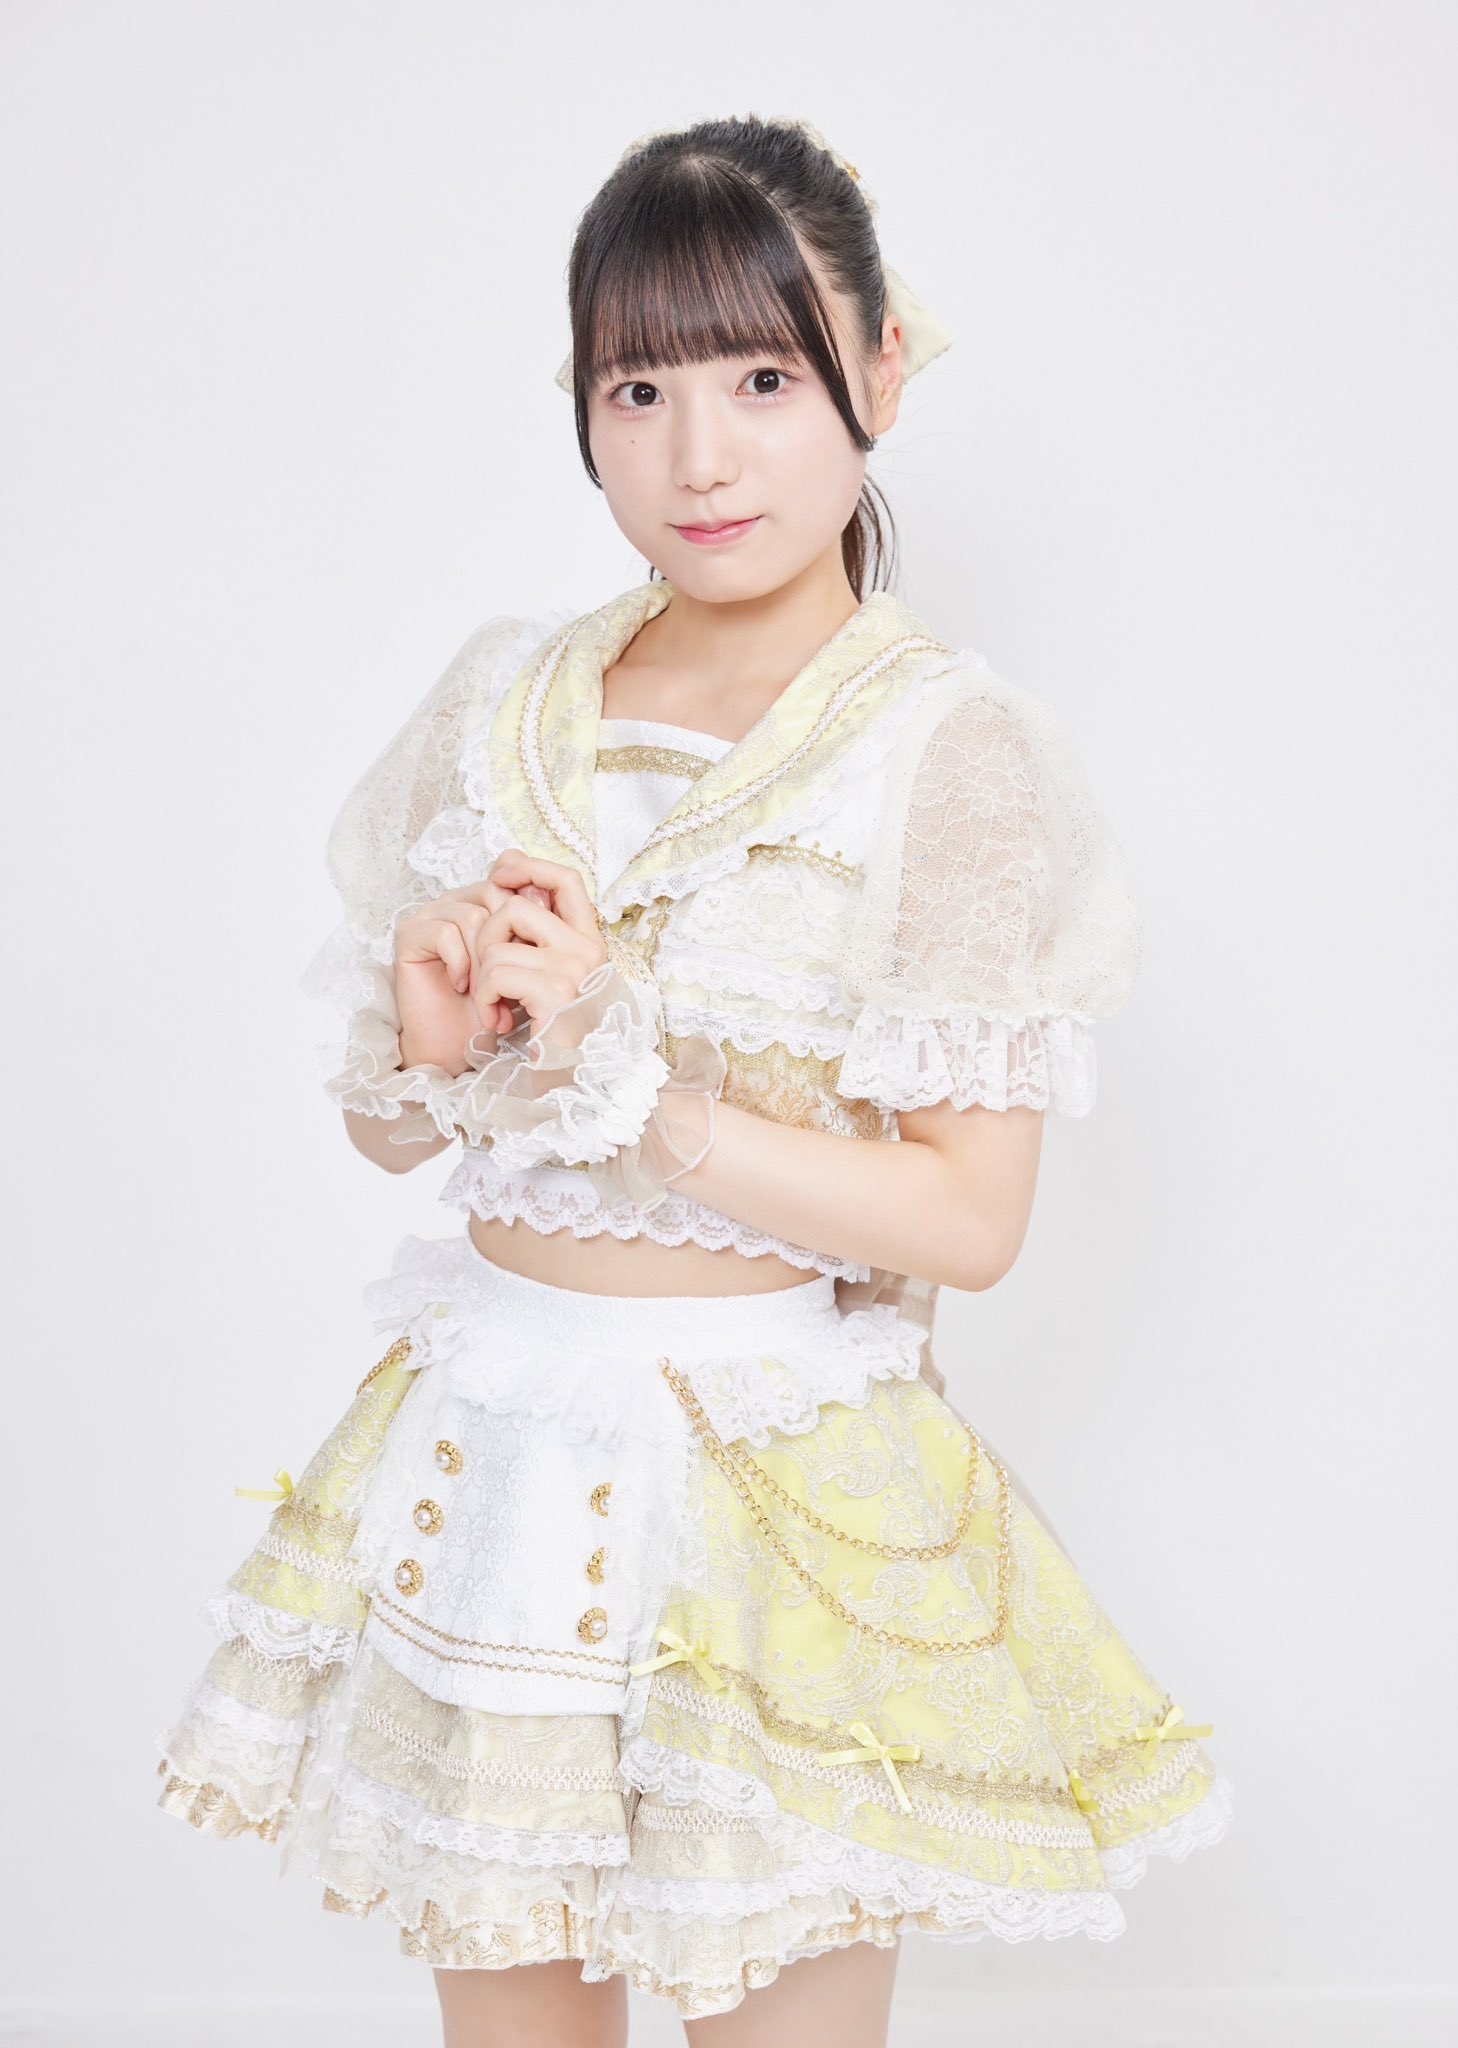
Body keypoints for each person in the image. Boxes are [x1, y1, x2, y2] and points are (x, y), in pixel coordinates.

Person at [153, 113, 1233, 2047]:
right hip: (493, 1448)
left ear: (880, 369)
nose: (698, 457)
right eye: (636, 388)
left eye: (762, 379)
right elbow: (393, 1130)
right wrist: (436, 1048)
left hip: (774, 1484)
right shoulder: (507, 696)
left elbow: (968, 1221)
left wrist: (637, 1089)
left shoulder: (945, 750)